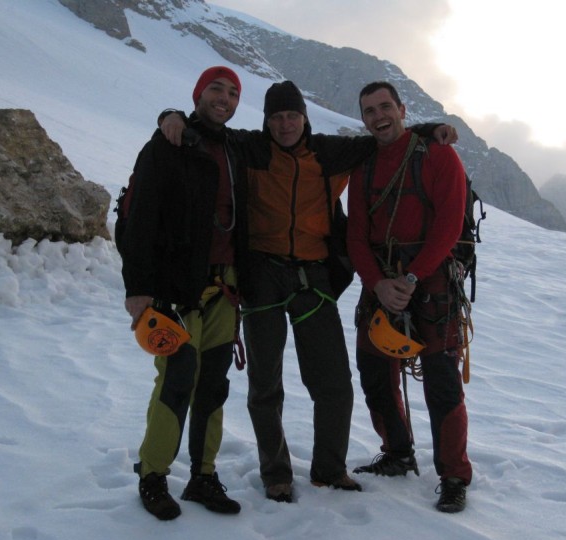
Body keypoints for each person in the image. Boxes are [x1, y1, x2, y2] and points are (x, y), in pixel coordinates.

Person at [160, 81, 457, 503]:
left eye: (292, 116)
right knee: (266, 384)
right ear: (266, 121)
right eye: (276, 117)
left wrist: (429, 130)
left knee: (334, 381)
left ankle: (330, 469)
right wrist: (170, 117)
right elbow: (207, 129)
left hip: (313, 277)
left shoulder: (328, 152)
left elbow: (386, 135)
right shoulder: (249, 149)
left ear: (304, 117)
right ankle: (276, 473)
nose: (285, 125)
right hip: (262, 275)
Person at [120, 66, 251, 520]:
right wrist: (138, 289)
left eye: (233, 92)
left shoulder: (237, 148)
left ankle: (203, 475)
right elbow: (137, 219)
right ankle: (153, 475)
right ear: (198, 94)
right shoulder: (168, 143)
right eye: (216, 89)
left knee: (213, 385)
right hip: (178, 288)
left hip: (226, 286)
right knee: (176, 379)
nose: (225, 98)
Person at [346, 81, 473, 513]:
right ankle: (398, 451)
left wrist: (412, 278)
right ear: (362, 119)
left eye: (385, 107)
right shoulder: (362, 167)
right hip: (382, 280)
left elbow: (450, 225)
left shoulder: (440, 155)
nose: (379, 116)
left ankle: (453, 474)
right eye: (369, 111)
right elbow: (356, 235)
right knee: (373, 371)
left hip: (432, 281)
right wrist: (379, 283)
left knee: (441, 380)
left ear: (402, 109)